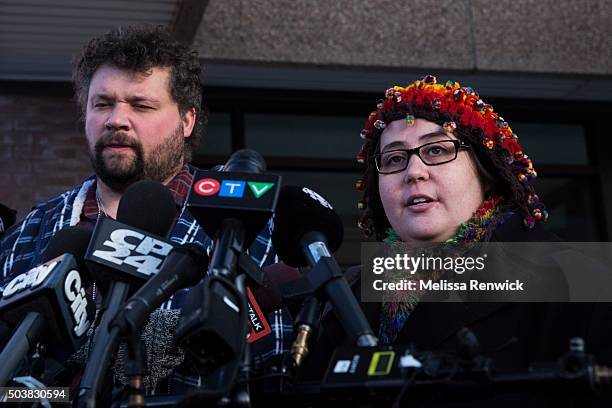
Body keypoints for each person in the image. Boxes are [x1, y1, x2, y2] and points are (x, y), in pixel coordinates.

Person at [0, 25, 293, 399]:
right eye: (102, 104)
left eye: (141, 105)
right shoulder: (34, 230)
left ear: (187, 121)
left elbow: (272, 369)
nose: (116, 120)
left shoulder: (249, 220)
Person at [307, 75, 612, 406]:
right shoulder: (346, 298)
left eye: (436, 150)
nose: (414, 171)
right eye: (395, 159)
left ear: (485, 172)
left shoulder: (576, 279)